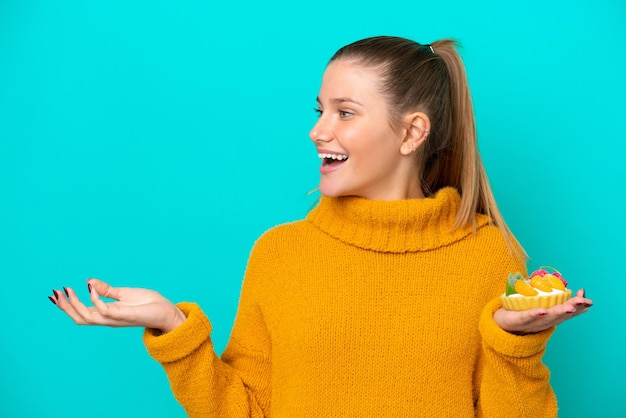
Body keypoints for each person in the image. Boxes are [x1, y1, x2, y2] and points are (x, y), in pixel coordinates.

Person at [49, 36, 592, 417]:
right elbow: (249, 411)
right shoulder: (281, 253)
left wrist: (514, 346)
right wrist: (173, 327)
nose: (317, 131)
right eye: (318, 110)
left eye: (345, 112)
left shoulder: (488, 257)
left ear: (412, 132)